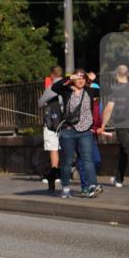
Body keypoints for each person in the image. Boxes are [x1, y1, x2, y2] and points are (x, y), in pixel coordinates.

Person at [50, 69, 102, 198]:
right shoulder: (66, 91)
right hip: (68, 131)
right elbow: (54, 87)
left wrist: (95, 79)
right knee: (67, 162)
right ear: (74, 79)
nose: (81, 80)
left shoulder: (89, 91)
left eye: (83, 78)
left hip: (85, 131)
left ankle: (92, 186)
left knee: (87, 160)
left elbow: (106, 90)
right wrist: (68, 77)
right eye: (78, 78)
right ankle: (66, 187)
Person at [40, 65, 65, 191]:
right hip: (65, 122)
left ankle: (55, 173)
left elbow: (40, 102)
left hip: (52, 123)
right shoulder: (68, 85)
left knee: (53, 148)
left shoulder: (51, 87)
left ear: (52, 75)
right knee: (65, 147)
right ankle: (66, 172)